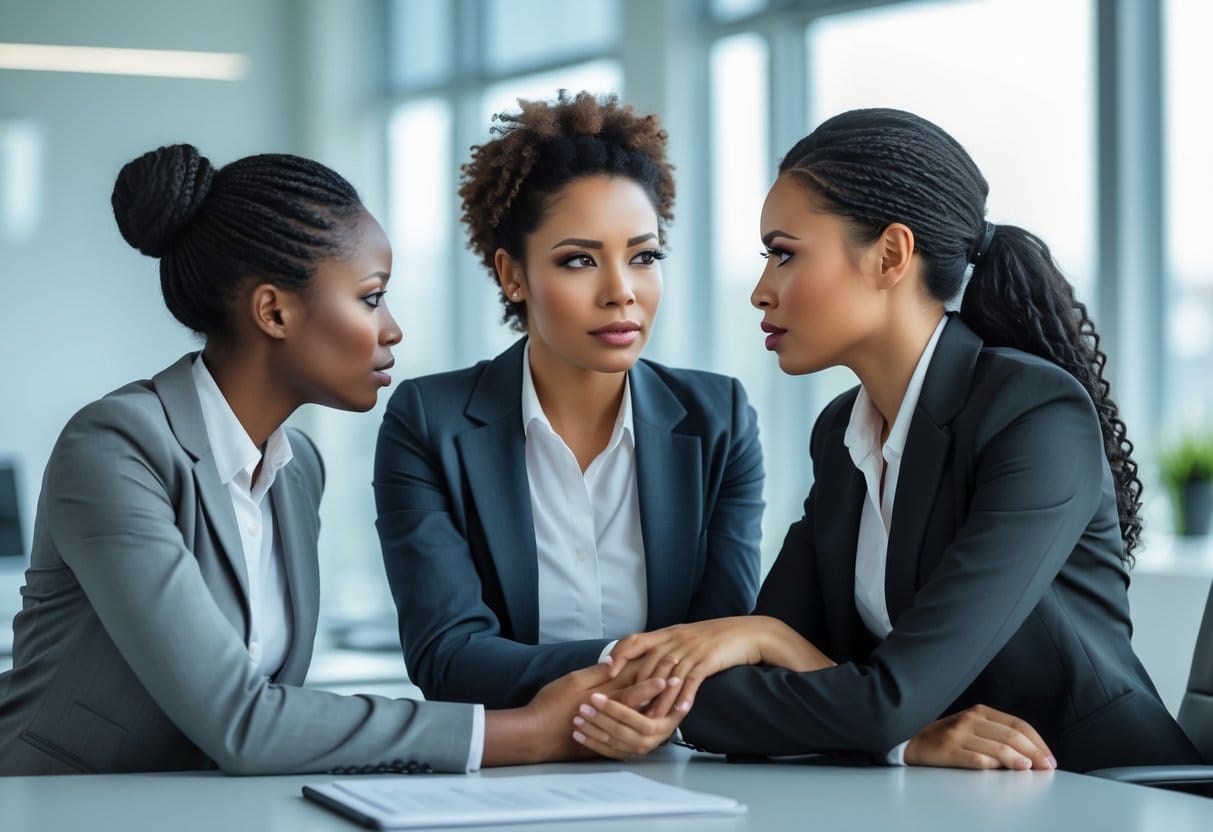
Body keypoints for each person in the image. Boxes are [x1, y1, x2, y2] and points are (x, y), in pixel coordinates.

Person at [573, 108, 1202, 773]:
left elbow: (879, 697)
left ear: (890, 255)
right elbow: (716, 697)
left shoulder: (1032, 416)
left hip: (1101, 792)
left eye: (784, 253)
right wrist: (902, 733)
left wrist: (777, 645)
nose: (761, 291)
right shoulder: (841, 435)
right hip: (947, 804)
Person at [0, 144, 662, 775]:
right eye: (371, 297)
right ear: (274, 311)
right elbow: (242, 721)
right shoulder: (117, 446)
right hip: (51, 805)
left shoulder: (297, 470)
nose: (393, 328)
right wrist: (529, 731)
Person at [374, 91, 764, 710]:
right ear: (513, 275)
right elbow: (446, 657)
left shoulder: (720, 420)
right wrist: (648, 668)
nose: (621, 292)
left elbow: (725, 641)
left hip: (674, 766)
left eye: (644, 256)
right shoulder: (430, 422)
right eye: (579, 260)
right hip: (502, 779)